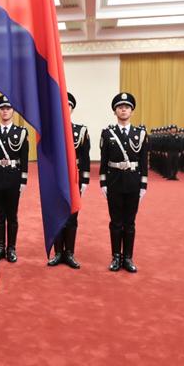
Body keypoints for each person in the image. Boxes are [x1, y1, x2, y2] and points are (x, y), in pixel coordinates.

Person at [100, 92, 148, 273]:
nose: (123, 109)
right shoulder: (107, 133)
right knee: (115, 221)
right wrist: (103, 183)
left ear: (132, 111)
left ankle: (128, 257)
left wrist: (143, 185)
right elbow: (104, 161)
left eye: (127, 107)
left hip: (133, 182)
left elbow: (144, 162)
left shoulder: (140, 134)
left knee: (130, 222)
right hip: (114, 182)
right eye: (120, 107)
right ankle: (116, 257)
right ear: (115, 111)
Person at [0, 95, 28, 263]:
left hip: (13, 177)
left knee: (12, 215)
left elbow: (24, 159)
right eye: (2, 108)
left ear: (13, 111)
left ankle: (11, 248)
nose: (5, 111)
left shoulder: (21, 133)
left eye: (8, 108)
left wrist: (23, 180)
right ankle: (0, 246)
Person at [49, 92, 89, 269]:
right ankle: (58, 252)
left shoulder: (80, 131)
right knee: (57, 215)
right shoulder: (50, 131)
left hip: (73, 179)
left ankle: (70, 253)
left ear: (72, 109)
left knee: (72, 216)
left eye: (68, 106)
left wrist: (85, 180)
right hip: (56, 179)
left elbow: (85, 157)